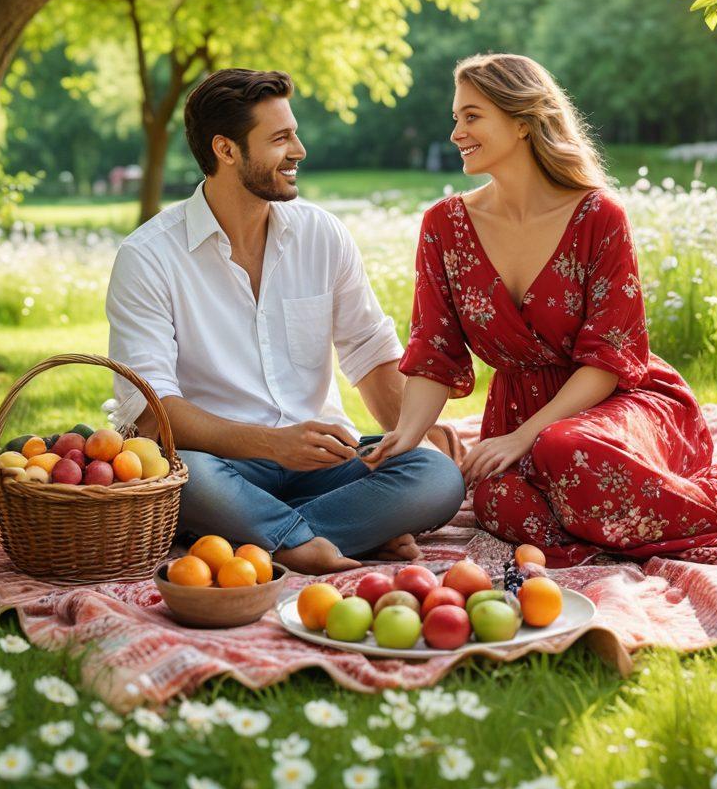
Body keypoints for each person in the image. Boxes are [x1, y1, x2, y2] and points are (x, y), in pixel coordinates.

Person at [364, 52, 717, 567]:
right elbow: (435, 349)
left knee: (565, 447)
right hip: (518, 415)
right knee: (500, 505)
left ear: (522, 122)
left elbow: (610, 360)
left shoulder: (597, 215)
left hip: (619, 404)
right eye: (456, 117)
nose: (456, 132)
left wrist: (523, 437)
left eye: (472, 116)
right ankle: (622, 519)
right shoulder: (444, 226)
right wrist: (405, 436)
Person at [106, 68, 464, 575]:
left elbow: (369, 352)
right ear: (226, 150)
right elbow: (150, 413)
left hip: (321, 462)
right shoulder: (148, 257)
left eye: (293, 133)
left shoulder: (323, 235)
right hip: (219, 464)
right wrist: (274, 444)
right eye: (280, 138)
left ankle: (264, 538)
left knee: (435, 476)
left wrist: (409, 437)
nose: (299, 150)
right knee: (182, 477)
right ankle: (319, 538)